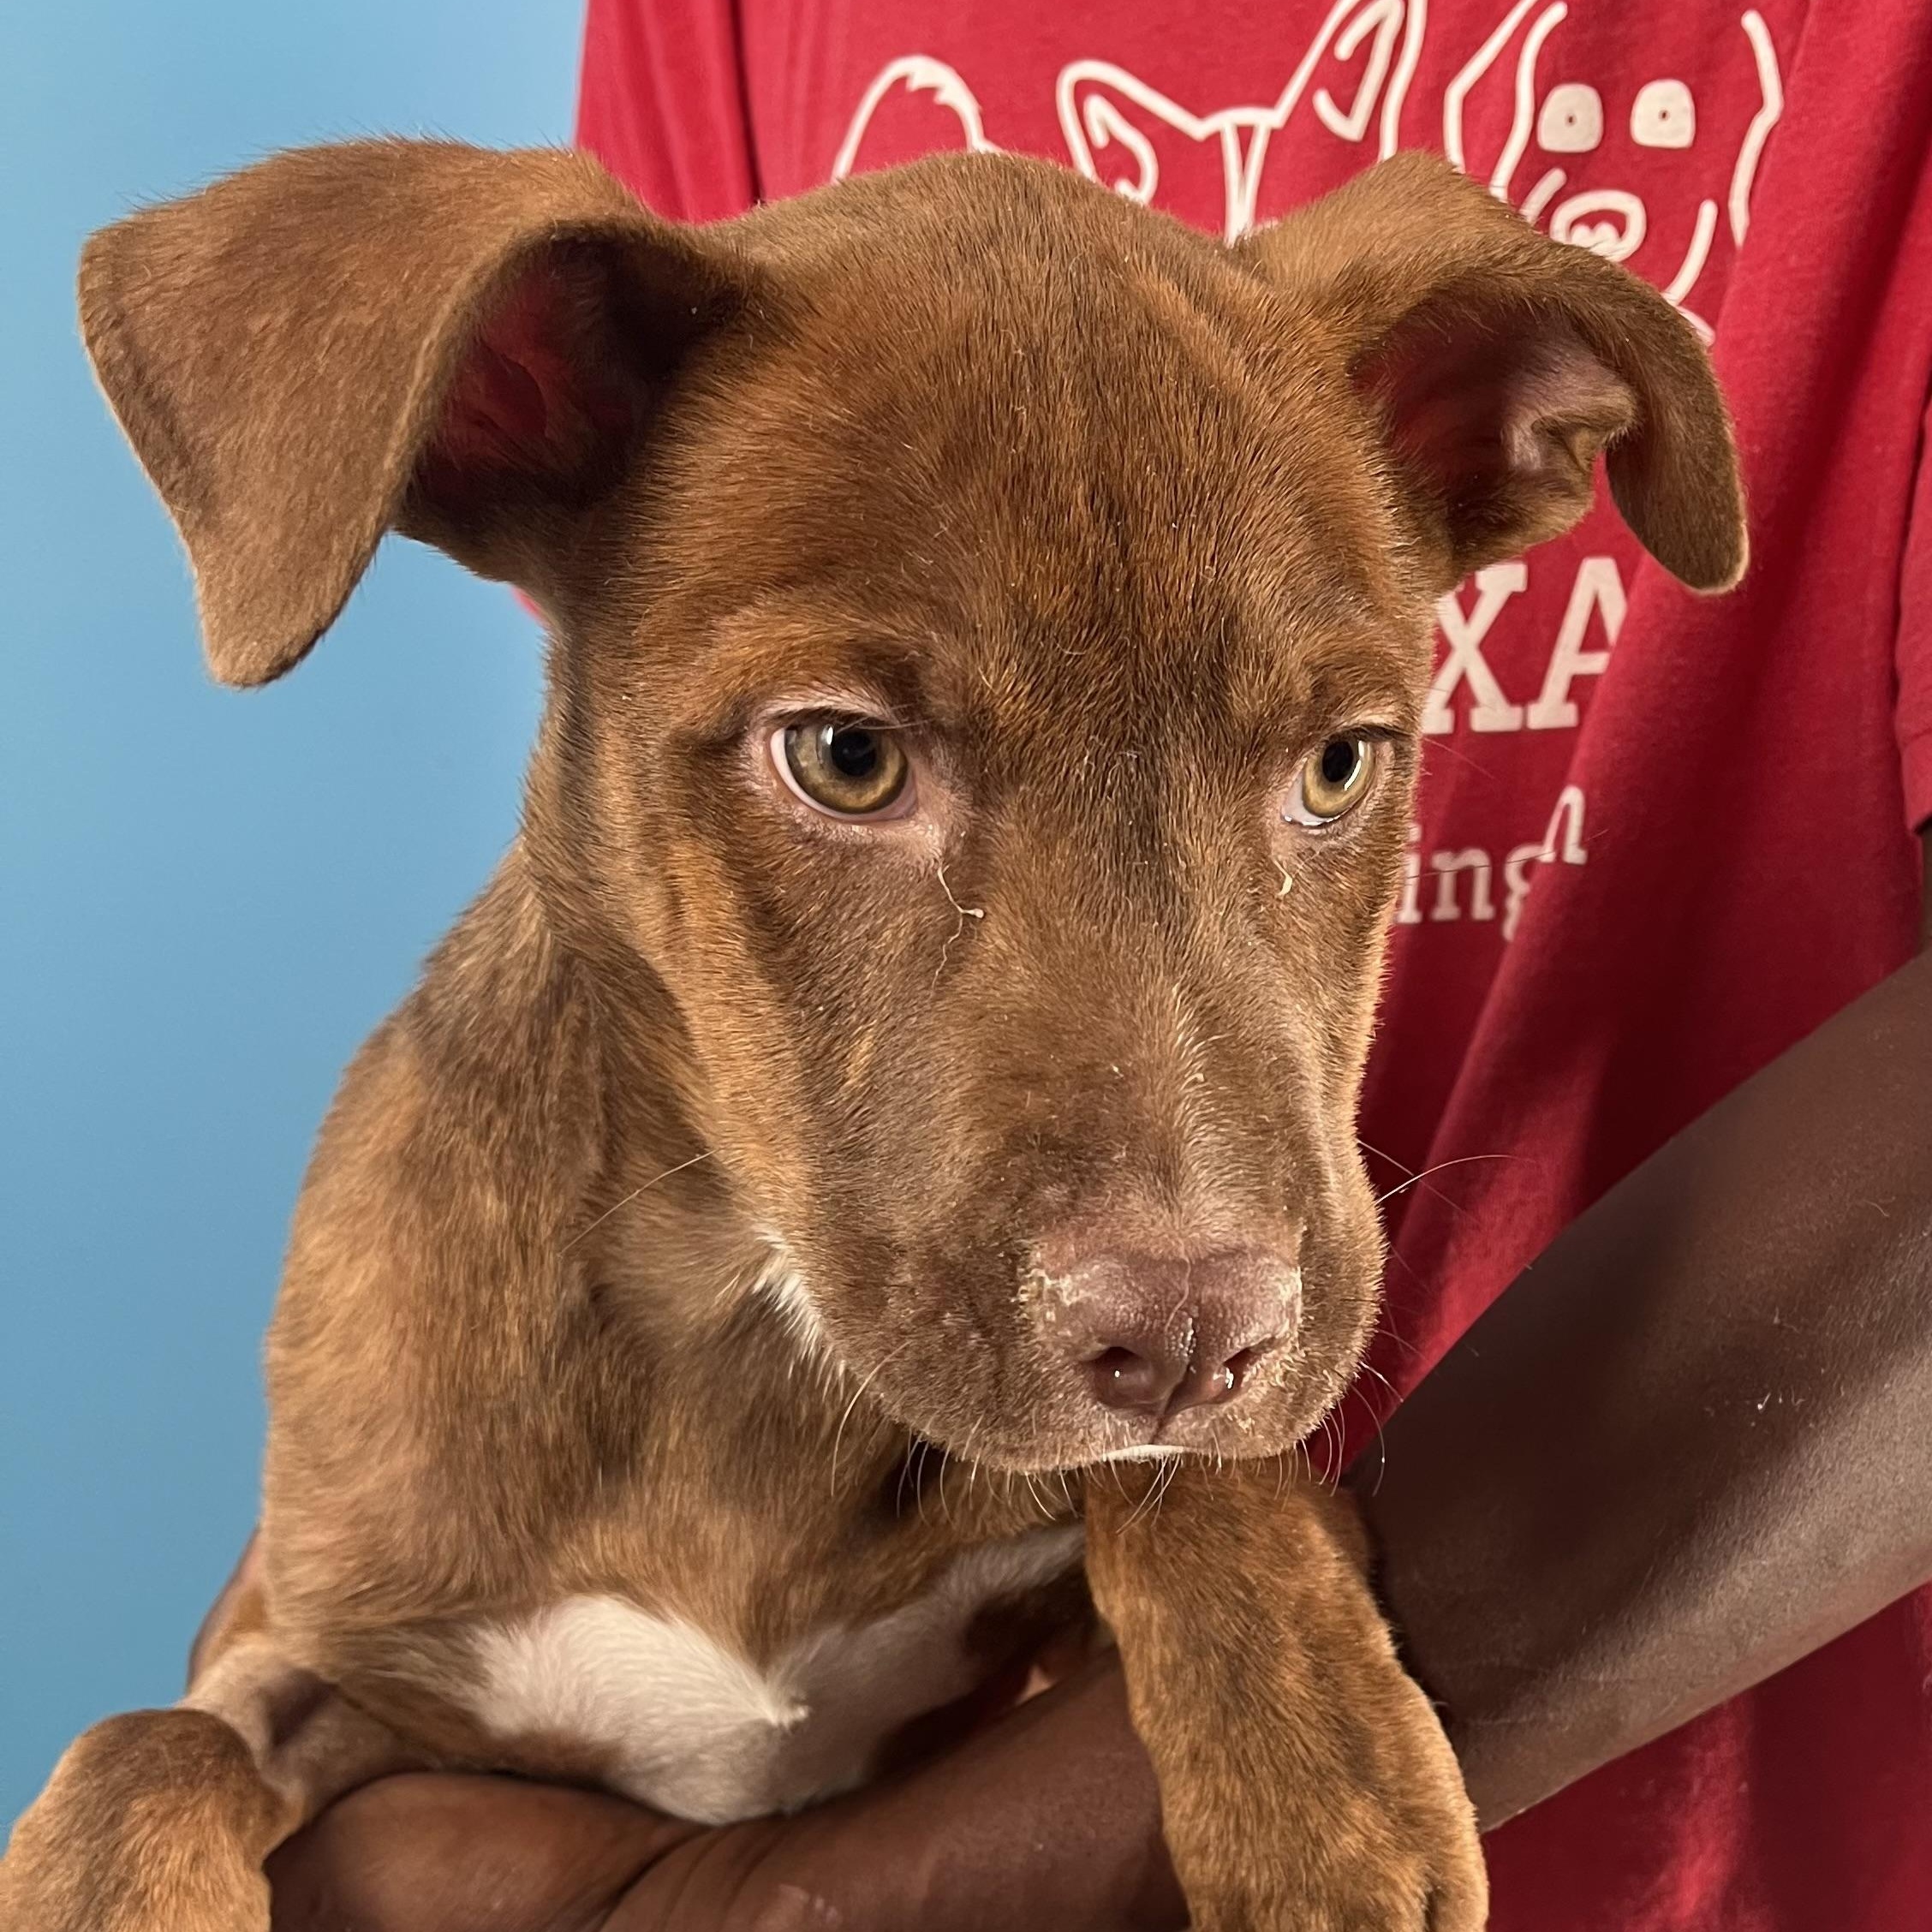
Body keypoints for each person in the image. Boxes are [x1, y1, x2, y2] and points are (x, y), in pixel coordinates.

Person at [261, 2, 1932, 1927]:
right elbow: (664, 787)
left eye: (1330, 765)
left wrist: (812, 1903)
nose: (1189, 1233)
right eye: (855, 755)